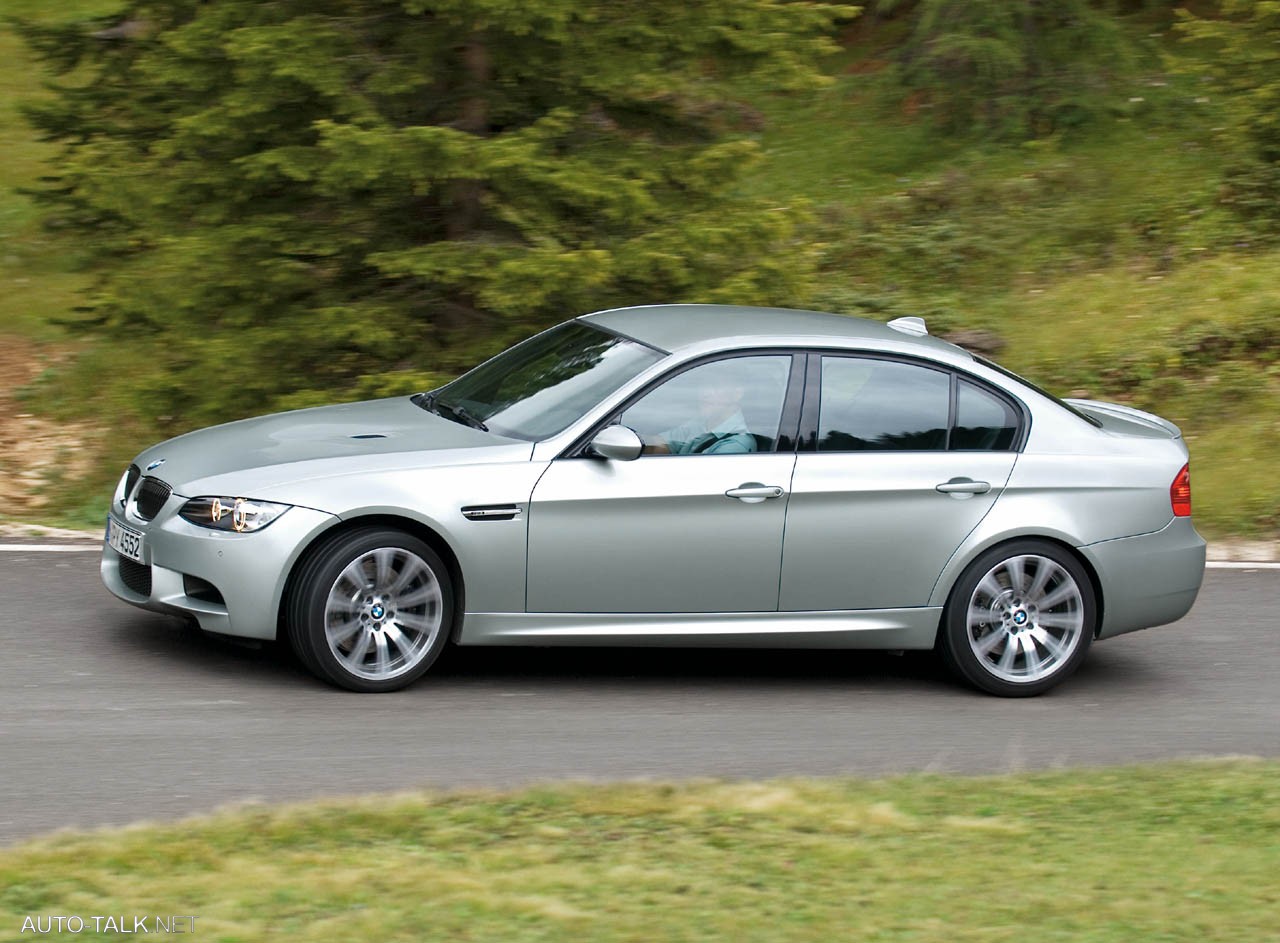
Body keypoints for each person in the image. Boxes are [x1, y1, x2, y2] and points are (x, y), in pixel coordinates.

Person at [641, 376, 757, 455]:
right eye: (703, 386)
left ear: (737, 394)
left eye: (715, 387)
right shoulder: (703, 422)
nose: (705, 393)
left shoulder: (735, 445)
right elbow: (660, 445)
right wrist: (633, 440)